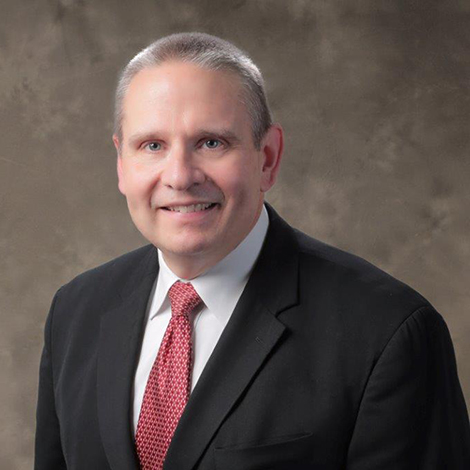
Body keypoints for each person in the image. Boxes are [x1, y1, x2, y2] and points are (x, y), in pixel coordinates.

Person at [35, 32, 470, 470]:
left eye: (211, 142)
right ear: (121, 163)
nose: (180, 177)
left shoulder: (388, 333)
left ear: (268, 158)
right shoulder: (74, 313)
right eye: (152, 145)